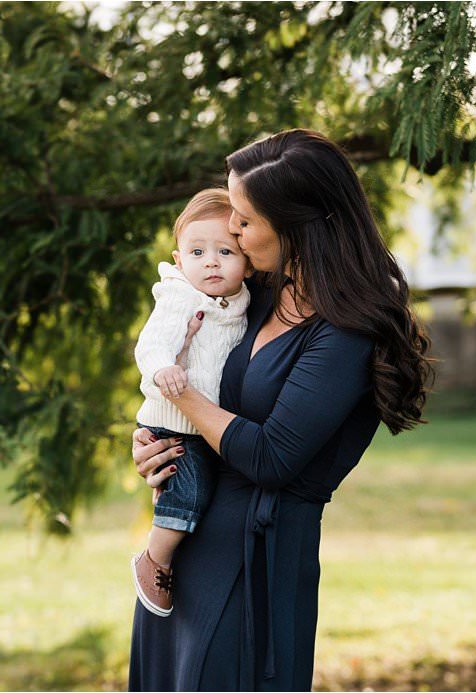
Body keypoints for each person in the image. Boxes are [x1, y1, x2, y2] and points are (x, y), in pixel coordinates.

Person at [127, 129, 434, 690]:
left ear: (293, 224)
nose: (233, 231)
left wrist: (181, 399)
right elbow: (200, 368)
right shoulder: (256, 293)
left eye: (244, 219)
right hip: (188, 541)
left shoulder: (347, 330)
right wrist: (156, 442)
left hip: (258, 555)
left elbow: (271, 457)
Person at [130, 189, 250, 617]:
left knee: (195, 491)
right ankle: (154, 561)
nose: (211, 261)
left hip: (206, 426)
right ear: (180, 261)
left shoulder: (241, 302)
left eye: (225, 251)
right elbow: (153, 342)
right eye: (198, 252)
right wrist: (164, 367)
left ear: (247, 261)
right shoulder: (180, 296)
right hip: (175, 422)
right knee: (190, 495)